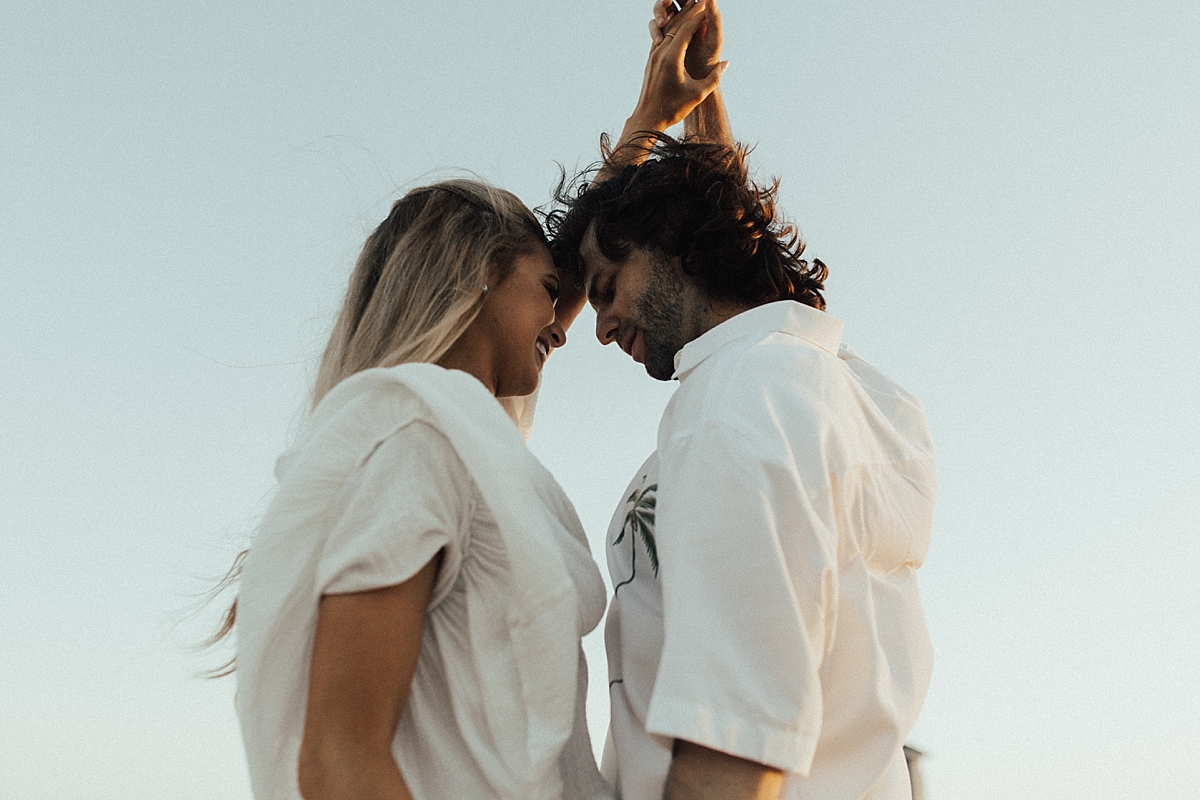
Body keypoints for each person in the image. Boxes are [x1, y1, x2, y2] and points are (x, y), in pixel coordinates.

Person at [546, 2, 938, 798]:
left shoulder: (739, 402)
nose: (597, 324)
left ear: (674, 249)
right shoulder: (833, 384)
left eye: (607, 289)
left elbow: (733, 755)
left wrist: (665, 133)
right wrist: (687, 111)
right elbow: (735, 264)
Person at [223, 180, 612, 800]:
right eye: (548, 292)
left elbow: (532, 317)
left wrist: (644, 132)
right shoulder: (417, 444)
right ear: (482, 271)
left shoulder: (460, 439)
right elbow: (338, 761)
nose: (562, 326)